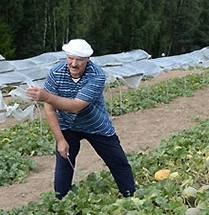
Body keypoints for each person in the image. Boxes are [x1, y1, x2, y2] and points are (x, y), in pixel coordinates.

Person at [25, 39, 135, 199]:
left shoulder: (96, 75)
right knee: (64, 164)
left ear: (87, 60)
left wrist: (46, 96)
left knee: (118, 161)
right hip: (67, 126)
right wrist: (60, 140)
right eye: (71, 58)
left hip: (96, 125)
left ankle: (130, 197)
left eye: (79, 60)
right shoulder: (55, 72)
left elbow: (75, 106)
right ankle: (60, 203)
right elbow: (49, 109)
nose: (74, 64)